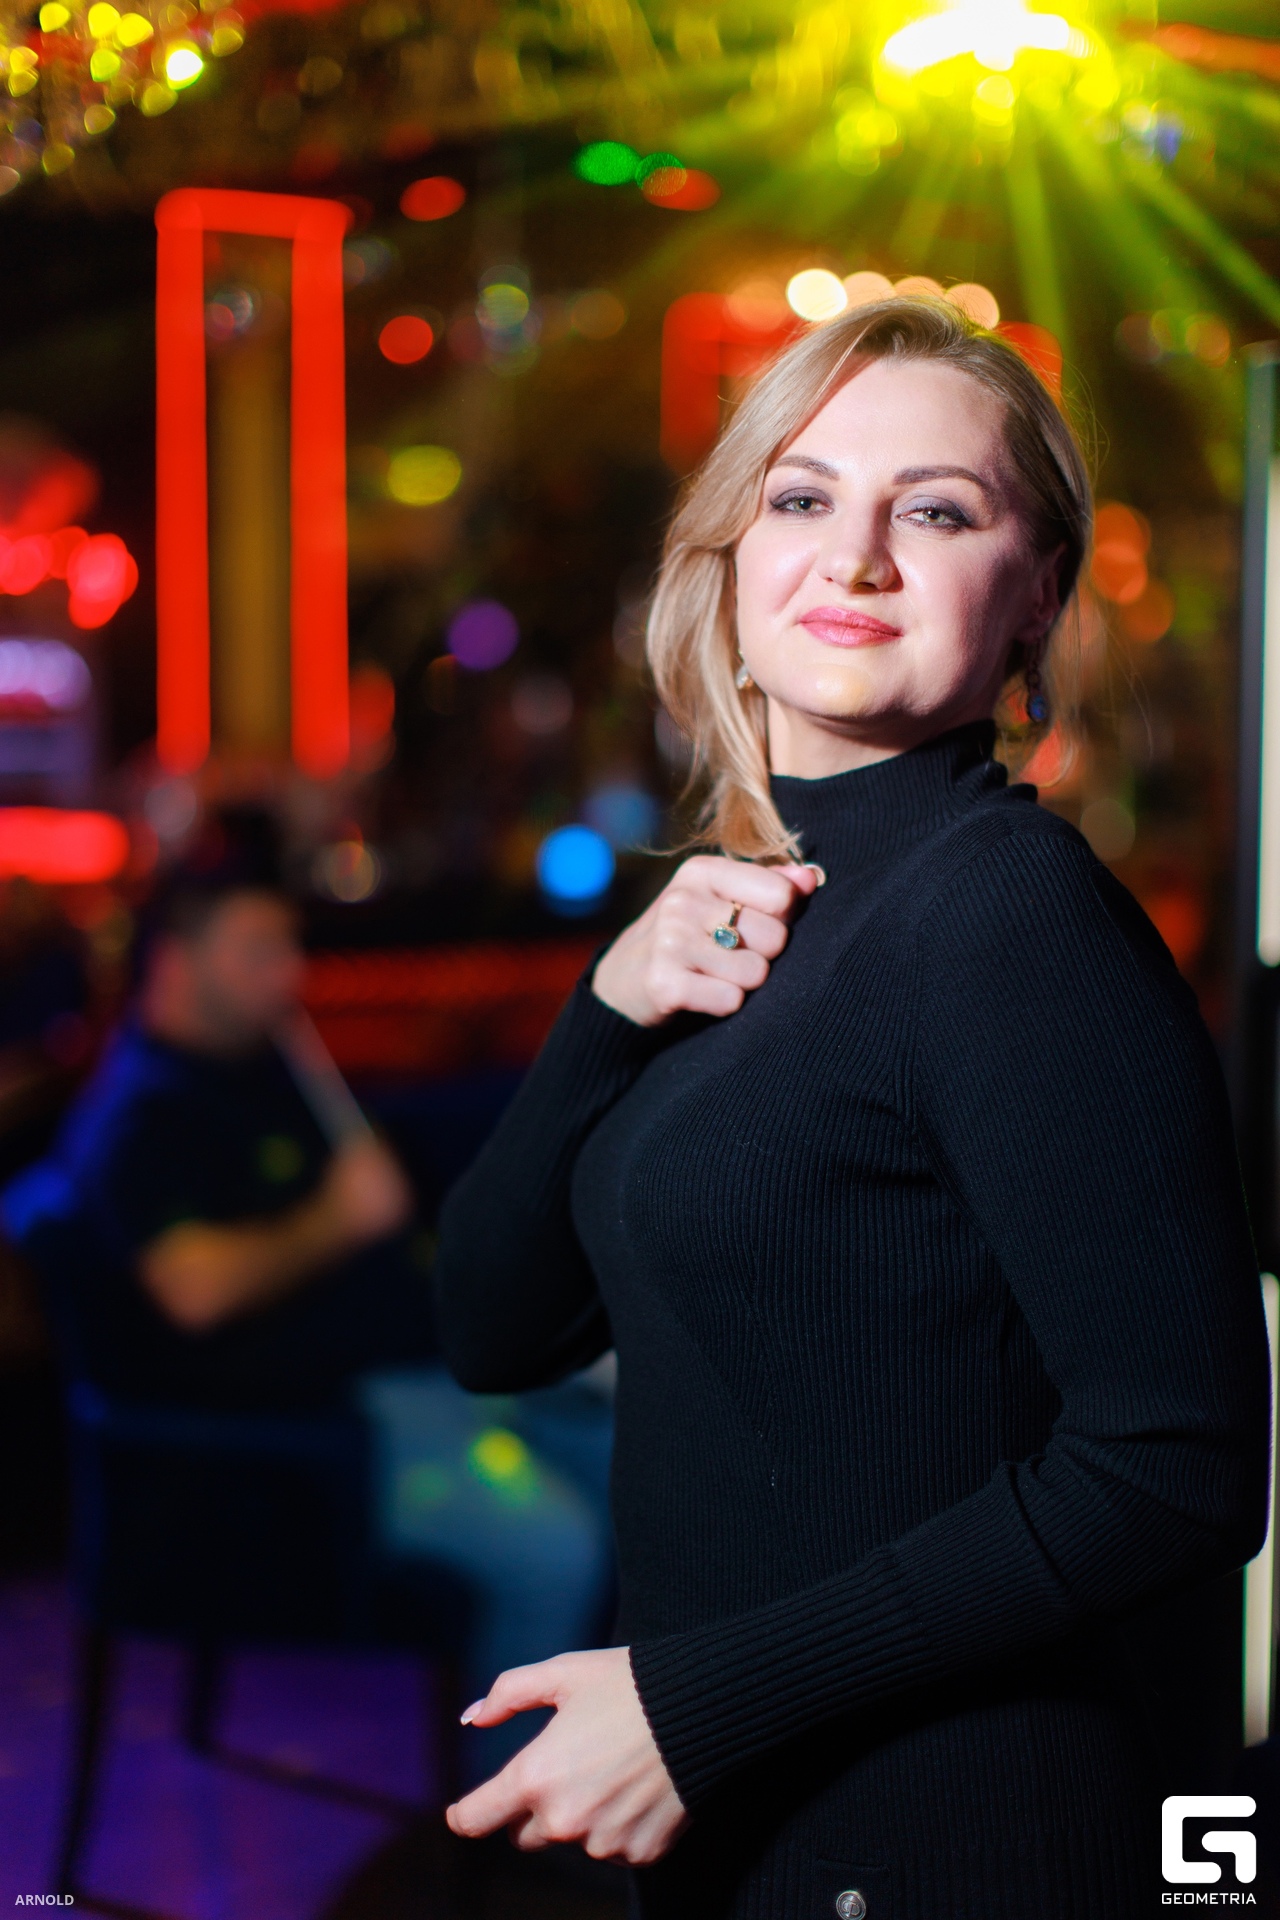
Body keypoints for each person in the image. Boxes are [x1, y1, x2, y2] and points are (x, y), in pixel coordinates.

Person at [433, 299, 1271, 1916]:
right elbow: (490, 1327)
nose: (857, 557)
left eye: (937, 512)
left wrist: (697, 1706)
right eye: (803, 497)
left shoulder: (1007, 913)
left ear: (1036, 595)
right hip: (768, 1836)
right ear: (732, 555)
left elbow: (1177, 1468)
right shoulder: (747, 910)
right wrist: (605, 1013)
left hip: (953, 1846)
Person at [1, 829, 614, 1783]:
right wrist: (340, 1215)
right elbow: (196, 1290)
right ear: (175, 962)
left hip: (414, 1393)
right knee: (557, 1549)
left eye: (289, 946)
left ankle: (634, 1763)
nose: (289, 973)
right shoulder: (141, 1114)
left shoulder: (261, 1067)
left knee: (639, 1464)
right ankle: (520, 1810)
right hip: (304, 1456)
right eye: (258, 950)